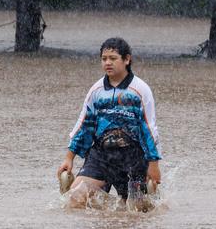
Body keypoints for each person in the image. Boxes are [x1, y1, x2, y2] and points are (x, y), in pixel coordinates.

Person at [57, 37, 162, 208]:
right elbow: (85, 125)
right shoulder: (96, 90)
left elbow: (149, 129)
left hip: (133, 158)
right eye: (104, 59)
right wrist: (69, 158)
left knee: (137, 211)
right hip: (101, 156)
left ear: (127, 59)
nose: (108, 63)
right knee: (76, 198)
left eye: (113, 58)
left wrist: (153, 164)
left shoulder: (140, 90)